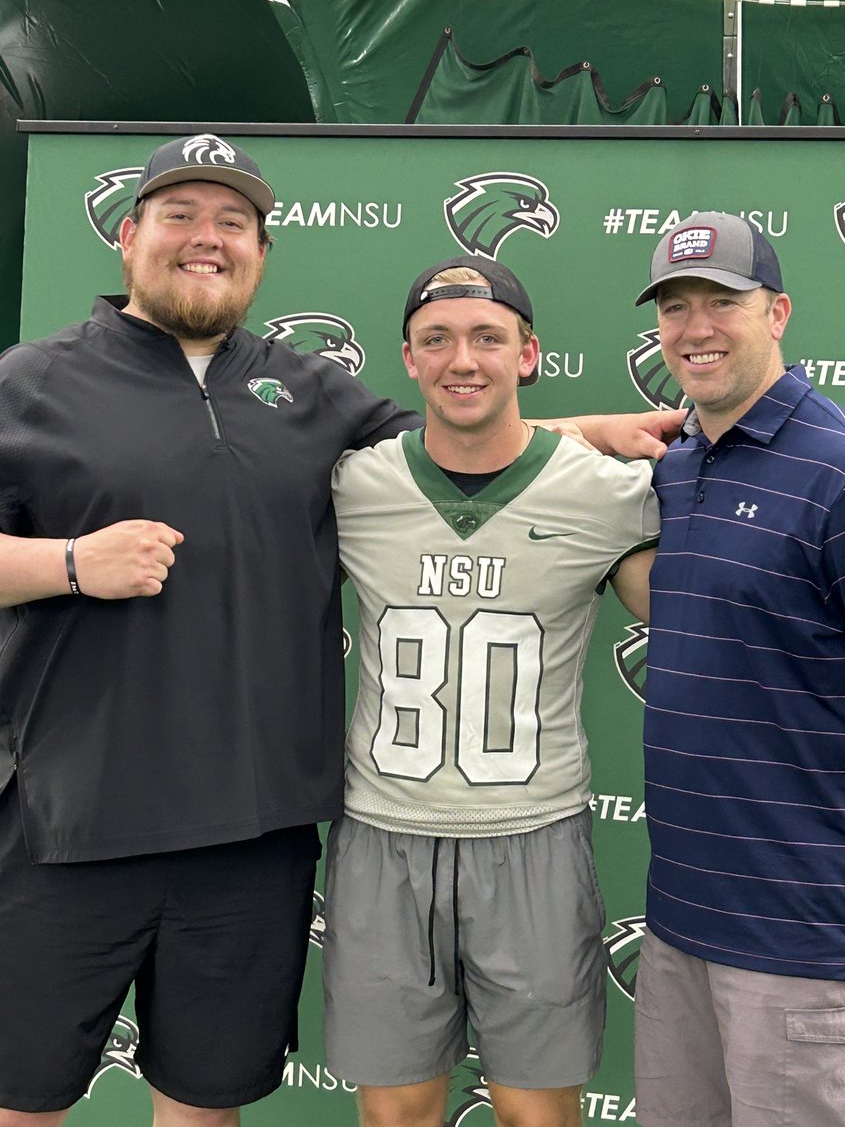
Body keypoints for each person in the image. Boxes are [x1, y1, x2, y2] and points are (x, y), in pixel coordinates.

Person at [0, 134, 681, 1127]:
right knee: (24, 1102)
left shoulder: (308, 392)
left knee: (202, 1106)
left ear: (263, 253)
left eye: (233, 222)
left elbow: (456, 446)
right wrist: (67, 564)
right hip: (71, 823)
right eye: (180, 216)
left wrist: (592, 432)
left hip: (252, 835)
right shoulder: (30, 381)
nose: (208, 239)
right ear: (128, 235)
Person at [325, 255, 660, 1127]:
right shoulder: (354, 484)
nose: (461, 359)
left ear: (529, 353)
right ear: (407, 358)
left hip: (533, 837)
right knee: (396, 1112)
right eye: (436, 339)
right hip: (385, 836)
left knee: (535, 1113)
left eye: (487, 337)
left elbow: (691, 615)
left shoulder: (608, 493)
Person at [632, 211, 845, 1127]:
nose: (695, 327)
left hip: (805, 948)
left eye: (723, 303)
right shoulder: (679, 465)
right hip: (679, 931)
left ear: (778, 312)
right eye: (675, 306)